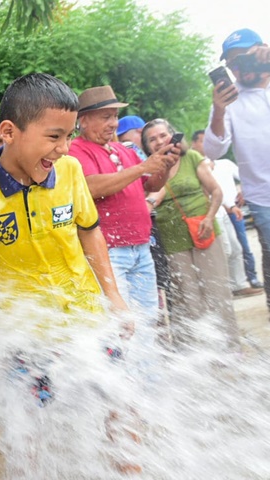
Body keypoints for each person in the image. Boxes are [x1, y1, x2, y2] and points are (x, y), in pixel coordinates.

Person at [0, 73, 184, 480]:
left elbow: (89, 231)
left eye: (67, 136)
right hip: (23, 324)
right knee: (23, 415)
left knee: (119, 404)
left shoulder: (72, 174)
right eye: (54, 137)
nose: (63, 148)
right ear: (8, 132)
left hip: (84, 315)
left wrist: (114, 298)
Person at [68, 86, 176, 337]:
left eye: (115, 116)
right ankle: (128, 375)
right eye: (106, 117)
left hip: (141, 247)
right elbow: (90, 187)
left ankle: (146, 375)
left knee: (147, 322)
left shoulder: (122, 150)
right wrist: (142, 168)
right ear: (83, 120)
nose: (113, 123)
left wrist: (165, 166)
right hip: (110, 252)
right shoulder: (76, 151)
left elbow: (151, 185)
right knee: (122, 328)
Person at [142, 119, 240, 351]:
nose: (159, 141)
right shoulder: (147, 169)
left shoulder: (192, 158)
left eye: (163, 135)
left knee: (217, 292)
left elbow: (216, 192)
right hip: (173, 238)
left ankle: (230, 348)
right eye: (152, 139)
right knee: (188, 297)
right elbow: (151, 197)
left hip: (204, 231)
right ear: (147, 147)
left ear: (173, 136)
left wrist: (209, 217)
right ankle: (199, 352)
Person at [204, 28, 270, 322]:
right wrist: (218, 111)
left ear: (260, 51)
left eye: (242, 59)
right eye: (231, 64)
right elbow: (214, 149)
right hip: (264, 197)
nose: (237, 68)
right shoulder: (228, 104)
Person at [191, 129, 263, 297]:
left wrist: (230, 206)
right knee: (225, 250)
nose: (206, 145)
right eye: (202, 141)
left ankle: (238, 285)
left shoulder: (218, 163)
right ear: (194, 143)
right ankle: (221, 289)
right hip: (208, 215)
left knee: (237, 248)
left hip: (224, 212)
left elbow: (216, 191)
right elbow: (205, 191)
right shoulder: (195, 164)